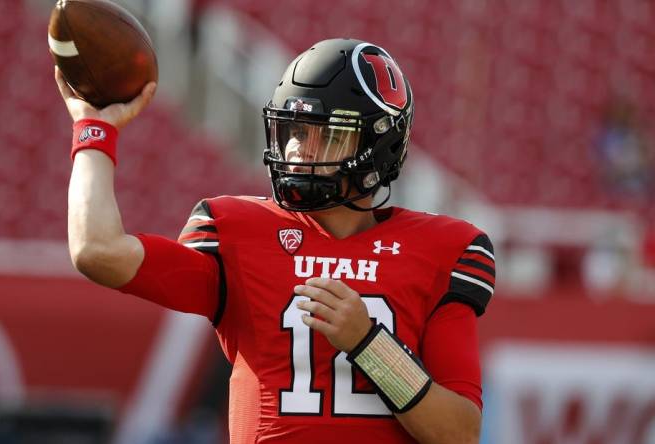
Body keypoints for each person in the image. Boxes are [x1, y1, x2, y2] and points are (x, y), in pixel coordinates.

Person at [57, 38, 495, 444]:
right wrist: (94, 129)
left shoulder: (443, 250)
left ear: (378, 142)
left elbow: (458, 433)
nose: (299, 151)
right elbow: (97, 251)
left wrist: (369, 344)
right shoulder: (237, 230)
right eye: (295, 132)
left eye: (325, 134)